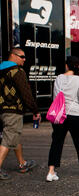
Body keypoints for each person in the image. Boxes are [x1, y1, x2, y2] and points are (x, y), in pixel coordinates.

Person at [46, 56, 79, 182]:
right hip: (75, 115)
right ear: (77, 66)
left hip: (60, 114)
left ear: (66, 65)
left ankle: (51, 171)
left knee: (56, 142)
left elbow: (56, 97)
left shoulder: (59, 78)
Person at [0, 48, 40, 180]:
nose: (24, 59)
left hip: (1, 110)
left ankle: (22, 163)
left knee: (14, 135)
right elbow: (26, 93)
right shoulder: (17, 71)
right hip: (13, 110)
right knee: (9, 137)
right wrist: (35, 111)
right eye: (21, 56)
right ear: (12, 55)